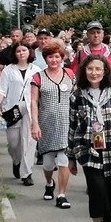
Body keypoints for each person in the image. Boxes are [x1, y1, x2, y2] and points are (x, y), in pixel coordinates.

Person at [68, 55, 111, 222]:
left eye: (98, 69)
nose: (94, 73)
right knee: (96, 191)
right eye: (90, 69)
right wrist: (71, 157)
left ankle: (109, 212)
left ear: (105, 72)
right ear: (84, 71)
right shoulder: (77, 95)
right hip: (88, 151)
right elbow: (73, 127)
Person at [28, 40, 74, 210]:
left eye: (57, 57)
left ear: (62, 58)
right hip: (46, 123)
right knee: (48, 163)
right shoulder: (38, 77)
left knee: (63, 160)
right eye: (50, 57)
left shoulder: (69, 74)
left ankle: (62, 194)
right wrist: (35, 124)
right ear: (45, 58)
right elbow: (33, 102)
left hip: (66, 123)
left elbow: (76, 97)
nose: (53, 60)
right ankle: (49, 182)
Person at [0, 41, 37, 186]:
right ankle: (16, 161)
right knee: (13, 143)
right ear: (14, 54)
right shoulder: (8, 70)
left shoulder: (36, 70)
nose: (21, 53)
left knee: (28, 142)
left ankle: (27, 173)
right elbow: (1, 90)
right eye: (18, 51)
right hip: (11, 108)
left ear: (29, 52)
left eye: (24, 50)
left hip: (30, 108)